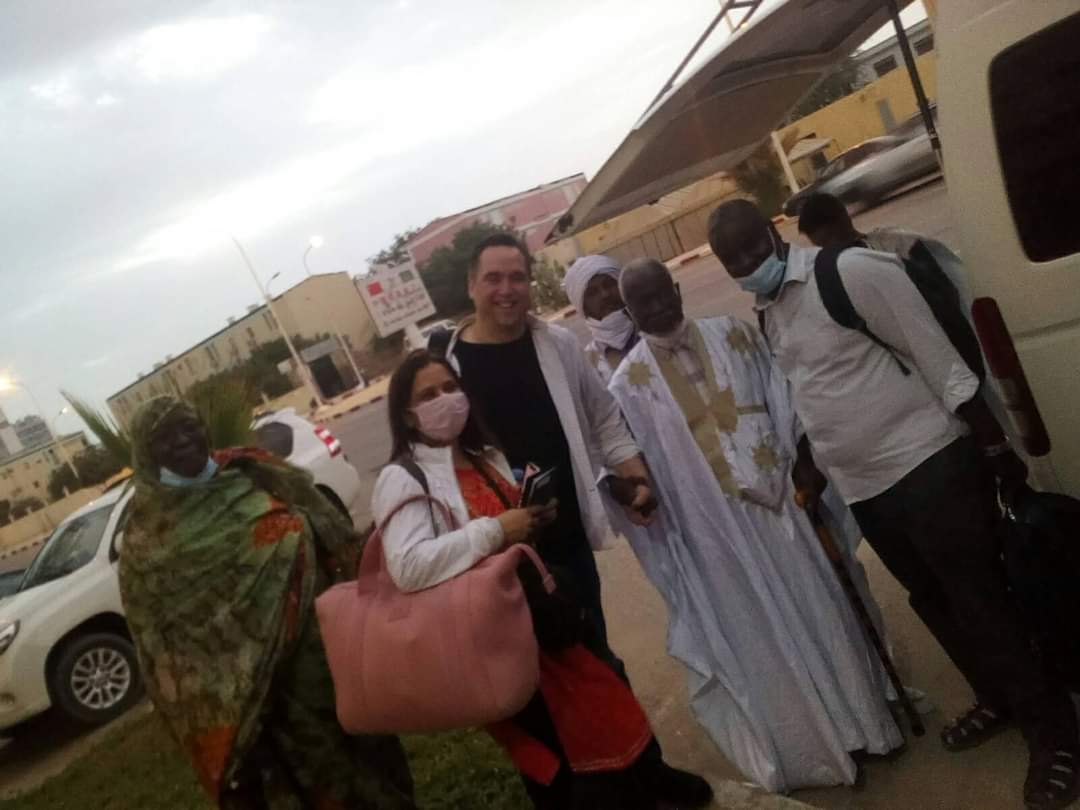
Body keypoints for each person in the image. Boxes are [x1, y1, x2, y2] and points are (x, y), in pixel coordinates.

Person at [708, 198, 1080, 810]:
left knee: (983, 602)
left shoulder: (849, 273)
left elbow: (939, 358)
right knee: (932, 601)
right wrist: (812, 464)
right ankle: (998, 699)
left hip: (929, 464)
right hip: (867, 490)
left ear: (774, 233)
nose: (750, 264)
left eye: (753, 247)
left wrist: (994, 445)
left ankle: (1056, 735)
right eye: (734, 260)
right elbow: (814, 391)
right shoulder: (770, 313)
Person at [608, 257, 904, 793]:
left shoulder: (735, 334)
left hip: (783, 509)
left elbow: (787, 402)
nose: (657, 307)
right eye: (642, 302)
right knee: (763, 637)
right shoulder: (626, 387)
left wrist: (806, 464)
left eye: (662, 293)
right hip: (715, 539)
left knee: (822, 609)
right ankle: (815, 748)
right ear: (628, 312)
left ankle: (866, 723)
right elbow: (627, 470)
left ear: (677, 288)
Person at [442, 232, 713, 808]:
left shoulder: (556, 345)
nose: (507, 289)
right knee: (526, 691)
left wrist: (636, 479)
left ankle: (647, 773)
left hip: (563, 544)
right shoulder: (448, 367)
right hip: (494, 561)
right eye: (494, 278)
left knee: (597, 663)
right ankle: (570, 794)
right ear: (471, 286)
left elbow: (604, 419)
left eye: (518, 276)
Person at [373, 349, 664, 809]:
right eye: (428, 395)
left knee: (601, 717)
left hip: (542, 620)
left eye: (450, 387)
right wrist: (495, 530)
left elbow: (504, 526)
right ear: (408, 415)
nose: (445, 399)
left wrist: (530, 517)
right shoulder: (402, 478)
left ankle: (647, 786)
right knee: (552, 757)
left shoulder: (482, 454)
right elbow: (408, 568)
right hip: (495, 642)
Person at [117, 396, 416, 810]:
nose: (183, 440)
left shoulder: (255, 472)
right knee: (312, 778)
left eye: (189, 426)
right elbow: (160, 645)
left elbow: (327, 525)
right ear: (147, 454)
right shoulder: (146, 538)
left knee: (372, 756)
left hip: (329, 656)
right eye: (165, 437)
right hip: (252, 702)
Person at [562, 254, 639, 384]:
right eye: (592, 293)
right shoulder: (587, 366)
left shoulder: (657, 334)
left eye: (609, 284)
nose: (605, 294)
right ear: (583, 307)